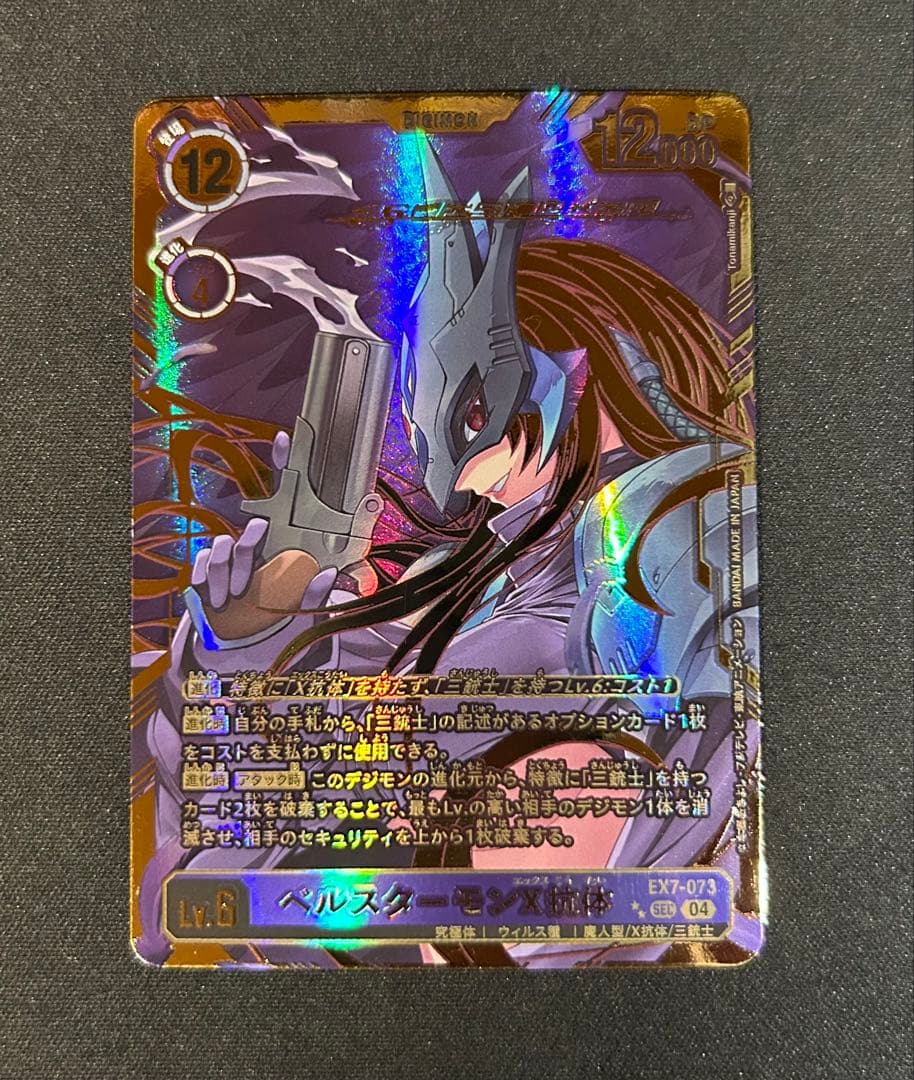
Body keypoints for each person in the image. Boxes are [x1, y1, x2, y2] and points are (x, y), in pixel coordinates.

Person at [139, 140, 760, 966]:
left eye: (472, 421)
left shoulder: (680, 532)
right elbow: (226, 831)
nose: (457, 478)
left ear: (576, 374)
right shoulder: (461, 577)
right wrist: (249, 642)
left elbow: (708, 776)